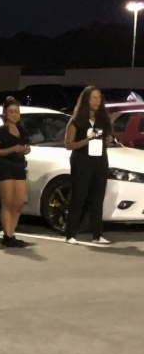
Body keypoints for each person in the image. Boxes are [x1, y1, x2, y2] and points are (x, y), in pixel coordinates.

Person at [64, 86, 113, 245]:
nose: (97, 101)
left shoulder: (103, 119)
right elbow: (68, 144)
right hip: (82, 161)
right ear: (86, 99)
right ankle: (70, 234)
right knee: (79, 197)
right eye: (93, 98)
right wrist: (87, 140)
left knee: (98, 198)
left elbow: (107, 136)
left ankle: (97, 234)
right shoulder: (77, 120)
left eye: (99, 98)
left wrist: (108, 139)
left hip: (100, 161)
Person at [0, 97, 32, 248]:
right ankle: (7, 235)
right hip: (5, 167)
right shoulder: (1, 131)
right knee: (7, 202)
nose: (15, 114)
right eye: (11, 112)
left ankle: (12, 232)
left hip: (19, 166)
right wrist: (12, 149)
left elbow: (26, 145)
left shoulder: (22, 130)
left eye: (17, 112)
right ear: (5, 114)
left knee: (19, 202)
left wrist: (26, 149)